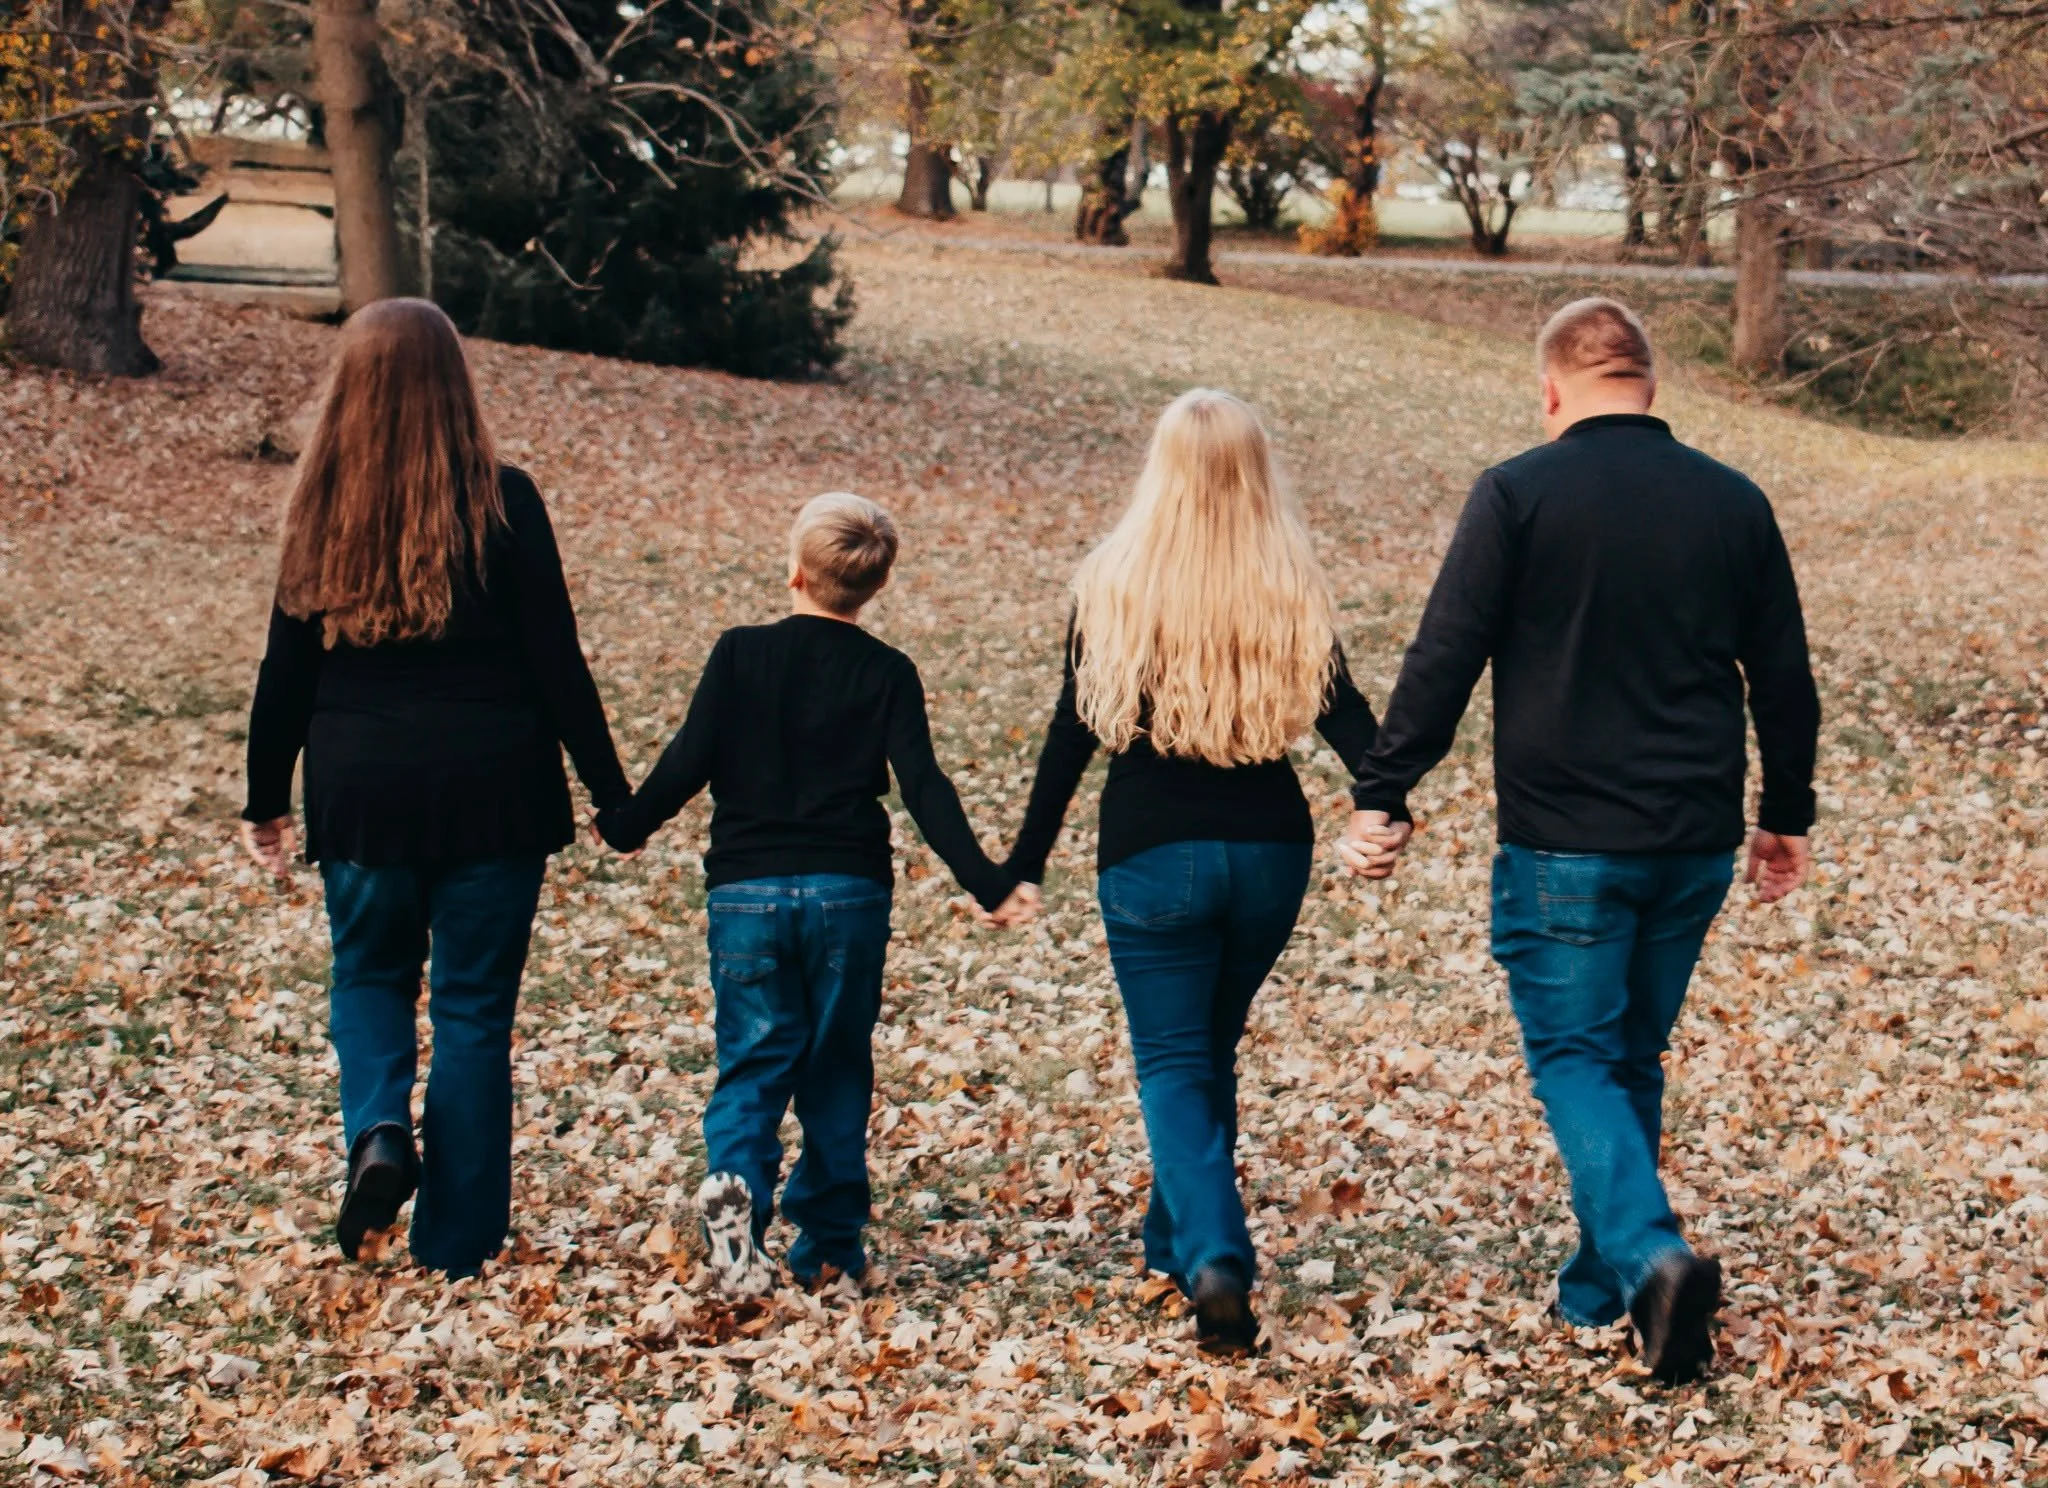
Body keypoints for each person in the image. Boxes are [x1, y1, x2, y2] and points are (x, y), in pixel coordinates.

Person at [1339, 298, 1820, 1384]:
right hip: (1692, 836)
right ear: (1650, 385)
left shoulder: (1518, 491)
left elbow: (1445, 651)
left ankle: (1650, 1255)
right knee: (1627, 1055)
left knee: (1576, 1057)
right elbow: (1784, 678)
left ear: (1550, 390)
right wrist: (1784, 814)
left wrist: (1384, 788)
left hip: (1564, 841)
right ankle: (1605, 1290)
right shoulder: (1732, 501)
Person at [240, 299, 632, 1277]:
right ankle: (457, 1242)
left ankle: (378, 1131)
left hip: (363, 792)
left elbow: (284, 673)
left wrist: (265, 799)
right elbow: (556, 660)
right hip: (495, 793)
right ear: (457, 385)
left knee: (370, 974)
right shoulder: (506, 501)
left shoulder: (321, 504)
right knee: (472, 1012)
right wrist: (611, 793)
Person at [1004, 390, 1396, 1354]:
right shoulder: (1286, 583)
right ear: (1257, 473)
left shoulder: (1113, 582)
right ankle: (1173, 1244)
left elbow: (1069, 734)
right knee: (1205, 1050)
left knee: (1177, 1061)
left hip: (1152, 854)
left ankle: (1218, 1256)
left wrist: (1024, 863)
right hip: (1269, 854)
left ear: (1162, 471)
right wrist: (1386, 806)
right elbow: (1356, 727)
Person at [595, 493, 1033, 1296]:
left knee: (753, 1059)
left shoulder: (739, 653)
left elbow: (689, 756)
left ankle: (737, 1189)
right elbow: (925, 786)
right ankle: (829, 1248)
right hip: (847, 892)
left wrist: (628, 824)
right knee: (835, 1067)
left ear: (795, 570)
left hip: (746, 891)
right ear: (876, 586)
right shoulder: (887, 671)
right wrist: (988, 881)